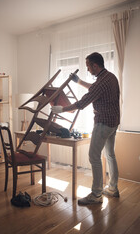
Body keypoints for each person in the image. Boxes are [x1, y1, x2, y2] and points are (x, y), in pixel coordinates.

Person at [51, 52, 120, 205]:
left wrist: (61, 109)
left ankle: (96, 195)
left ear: (95, 65)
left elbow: (82, 103)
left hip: (103, 123)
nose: (88, 69)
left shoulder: (101, 83)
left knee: (94, 157)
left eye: (88, 66)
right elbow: (94, 88)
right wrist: (79, 82)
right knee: (110, 155)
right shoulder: (110, 77)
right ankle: (113, 188)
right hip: (114, 122)